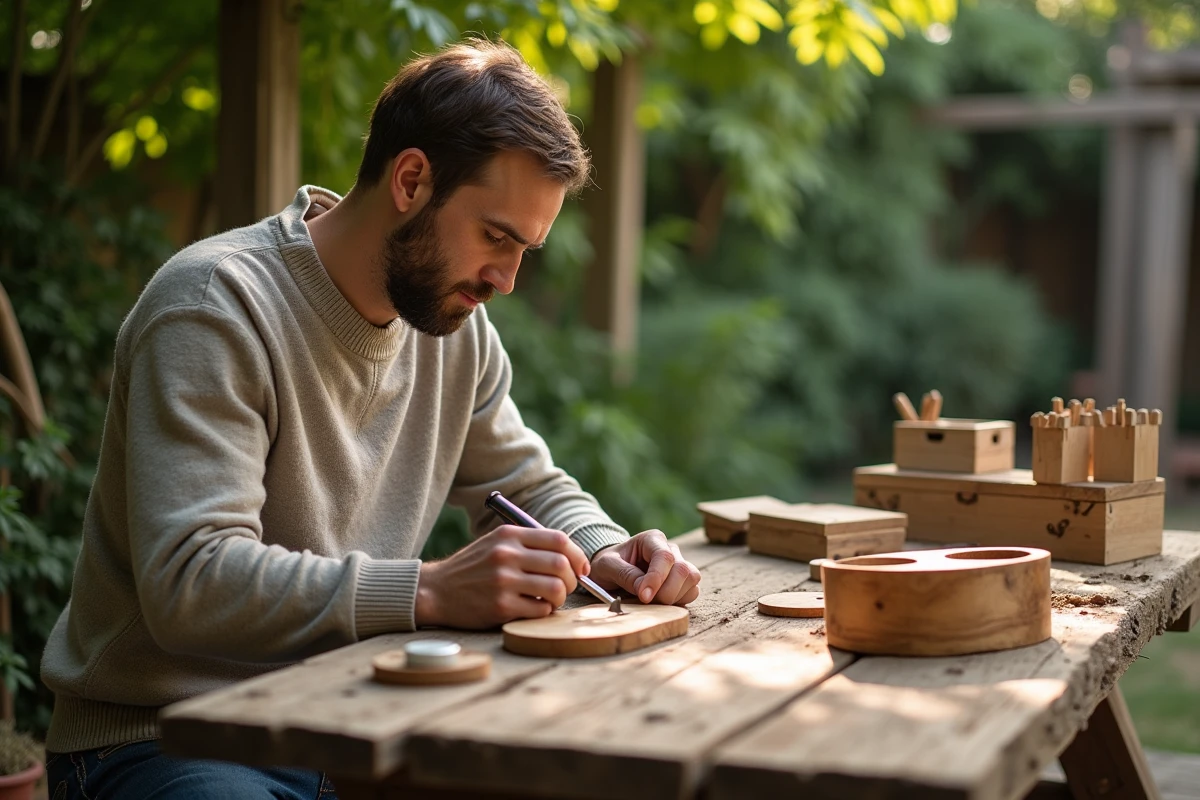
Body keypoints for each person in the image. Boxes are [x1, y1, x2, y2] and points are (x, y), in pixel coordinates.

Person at [42, 38, 701, 799]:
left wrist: (606, 549)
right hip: (168, 736)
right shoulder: (214, 306)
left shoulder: (454, 327)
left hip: (351, 718)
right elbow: (192, 580)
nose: (507, 279)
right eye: (496, 237)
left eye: (526, 249)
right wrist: (427, 591)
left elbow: (525, 485)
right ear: (411, 180)